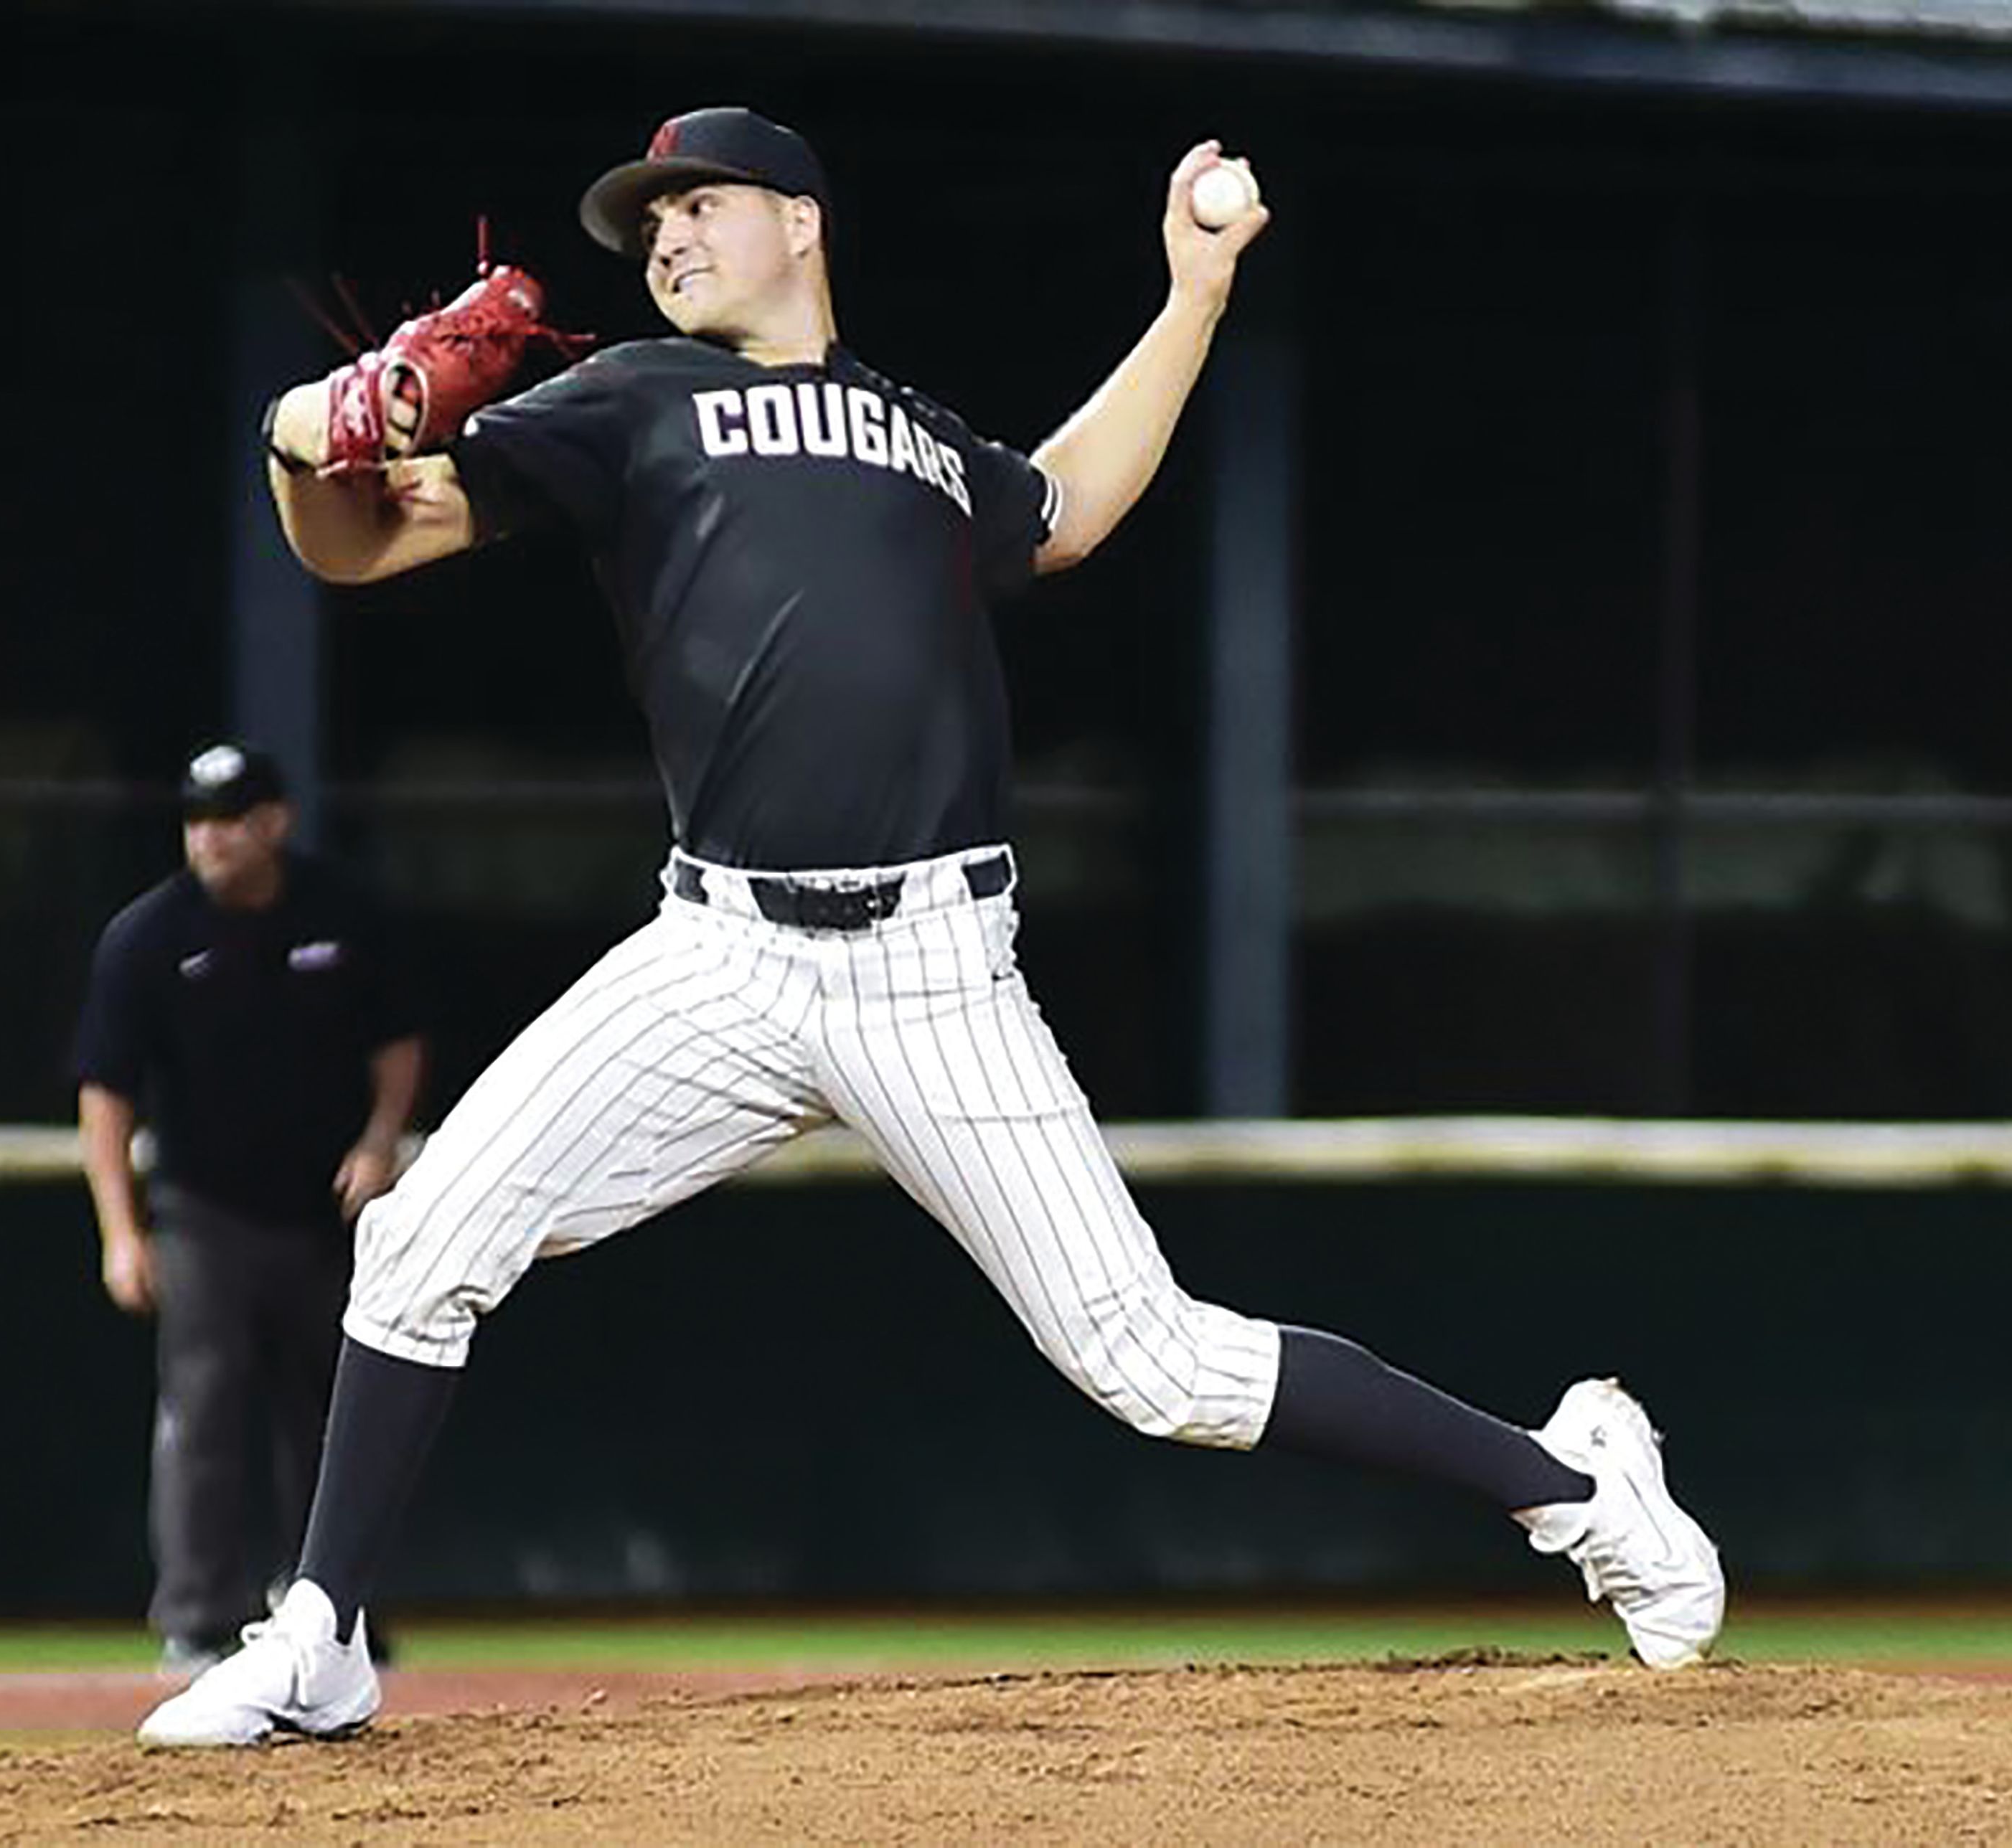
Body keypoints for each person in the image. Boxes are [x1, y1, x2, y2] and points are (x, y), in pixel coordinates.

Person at [141, 108, 1723, 1747]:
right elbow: (366, 536)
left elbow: (1068, 507)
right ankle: (320, 1634)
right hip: (721, 956)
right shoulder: (630, 401)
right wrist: (295, 433)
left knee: (1156, 1363)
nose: (666, 238)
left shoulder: (909, 427)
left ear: (804, 223)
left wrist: (1191, 294)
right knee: (420, 1240)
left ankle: (1580, 1490)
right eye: (650, 223)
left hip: (932, 967)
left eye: (701, 206)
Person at [77, 741, 426, 1677]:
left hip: (325, 1212)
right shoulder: (148, 937)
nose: (210, 839)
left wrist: (380, 1139)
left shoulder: (343, 914)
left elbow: (398, 1043)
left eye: (229, 819)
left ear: (275, 821)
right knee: (204, 1410)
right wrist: (121, 1230)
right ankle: (197, 1616)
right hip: (204, 1214)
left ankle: (331, 1610)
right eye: (196, 821)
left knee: (336, 1412)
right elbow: (104, 1094)